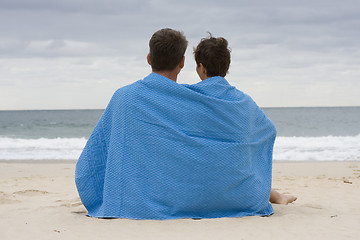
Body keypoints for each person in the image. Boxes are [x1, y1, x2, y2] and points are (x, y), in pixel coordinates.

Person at [75, 28, 295, 220]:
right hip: (224, 190)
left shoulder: (124, 97)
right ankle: (274, 195)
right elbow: (266, 131)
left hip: (155, 190)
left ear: (149, 58)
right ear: (182, 62)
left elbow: (99, 153)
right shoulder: (199, 99)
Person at [193, 34, 297, 205]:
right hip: (237, 180)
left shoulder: (189, 98)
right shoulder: (243, 101)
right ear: (226, 67)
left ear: (201, 68)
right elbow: (269, 131)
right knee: (240, 169)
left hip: (202, 179)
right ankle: (278, 197)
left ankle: (278, 196)